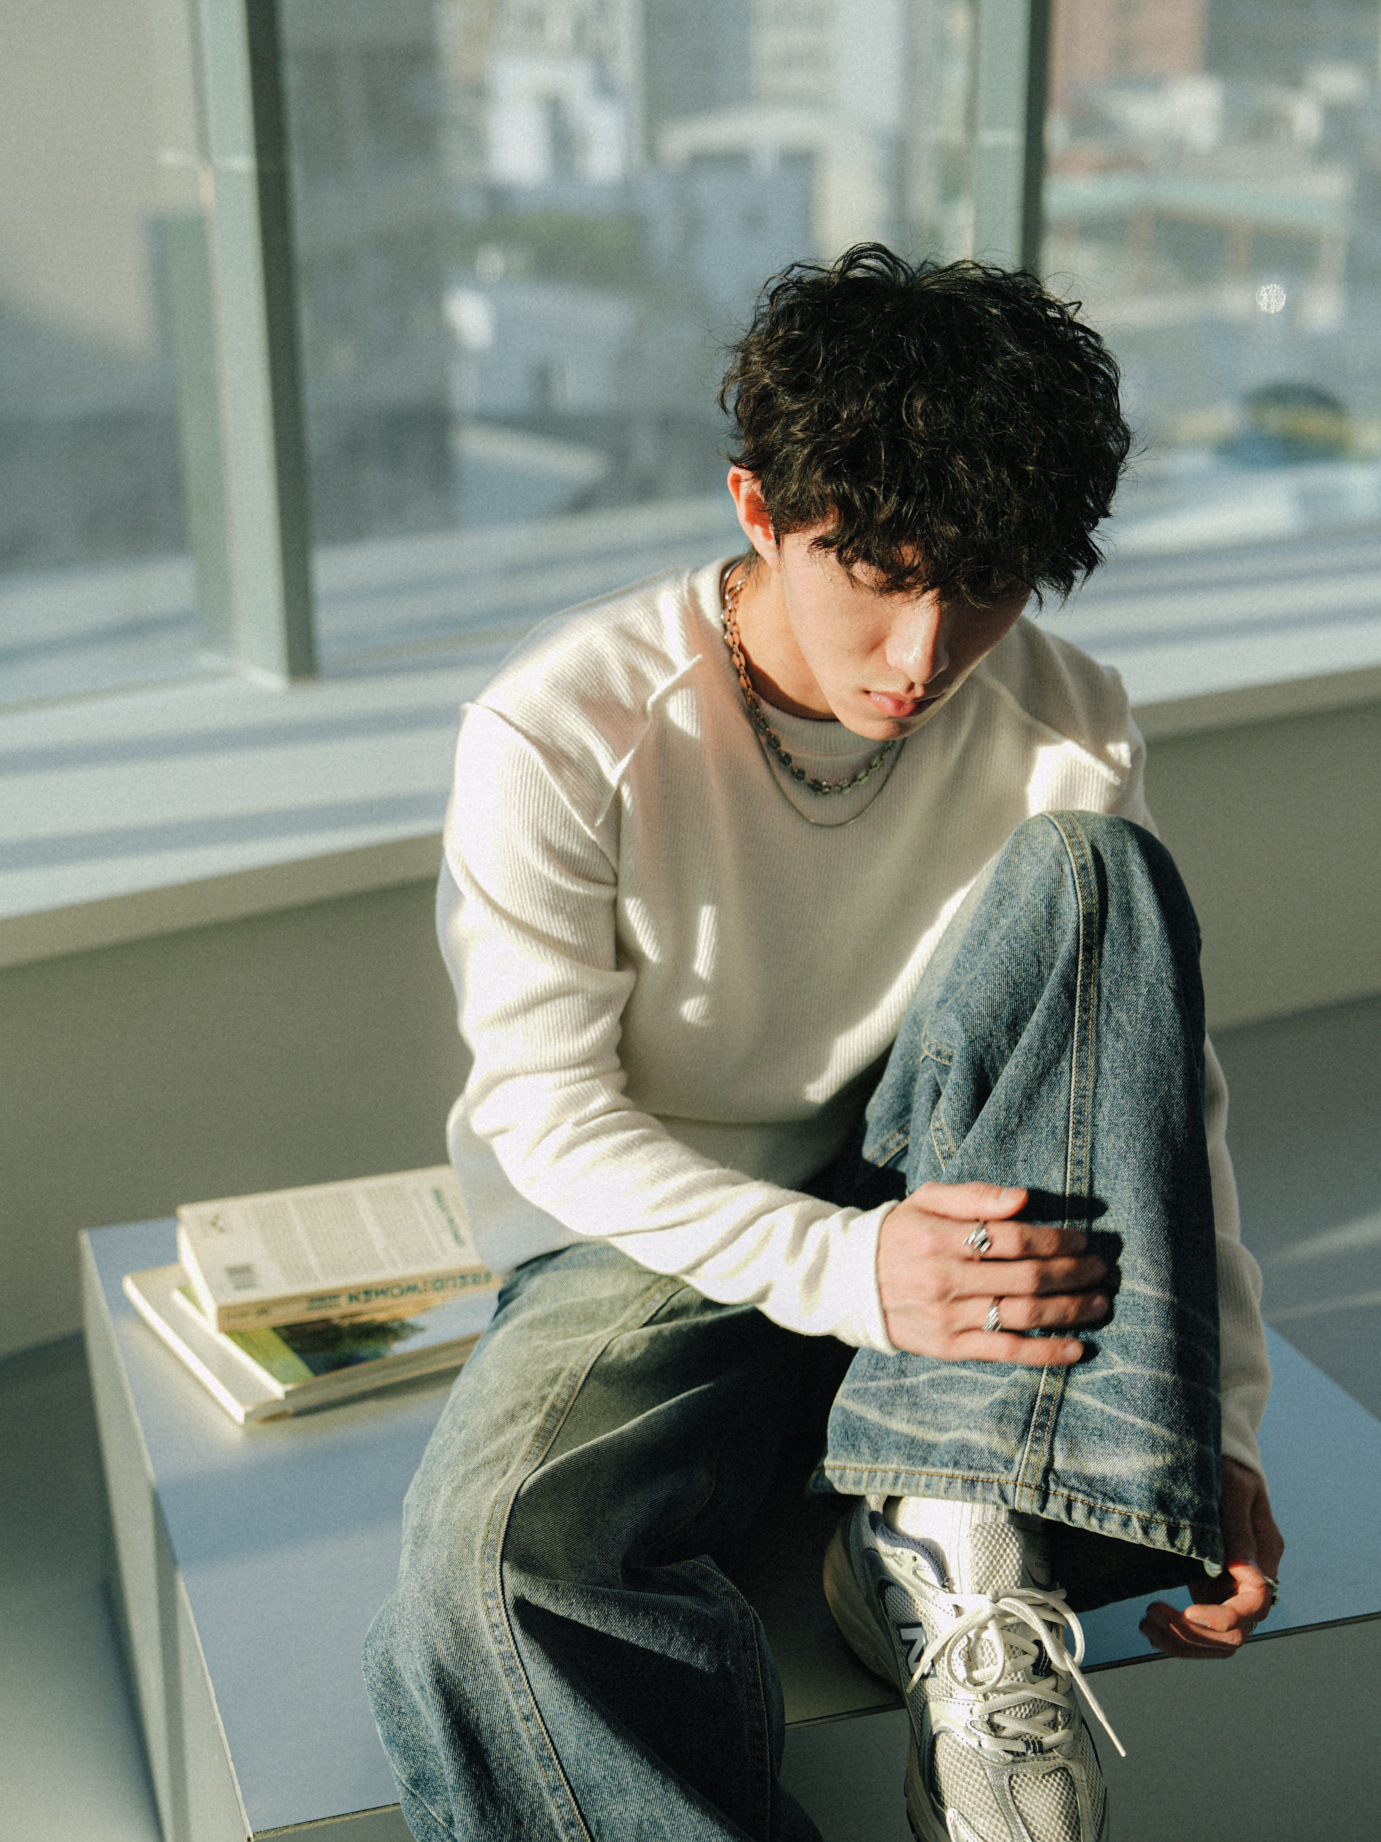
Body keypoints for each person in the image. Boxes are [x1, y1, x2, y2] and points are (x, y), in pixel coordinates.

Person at [363, 245, 1283, 1842]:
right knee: (482, 1579)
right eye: (878, 574)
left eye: (981, 587)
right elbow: (546, 1114)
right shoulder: (561, 724)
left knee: (1093, 877)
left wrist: (1222, 1424)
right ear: (756, 509)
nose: (921, 654)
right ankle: (943, 1502)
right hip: (657, 1236)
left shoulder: (1065, 714)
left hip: (969, 1212)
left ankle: (943, 1534)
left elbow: (1151, 1088)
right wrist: (853, 1270)